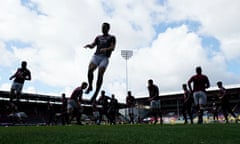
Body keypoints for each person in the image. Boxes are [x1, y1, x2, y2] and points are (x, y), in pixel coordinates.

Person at [84, 22, 116, 103]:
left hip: (104, 58)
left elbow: (112, 48)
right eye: (102, 27)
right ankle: (90, 86)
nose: (102, 29)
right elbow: (93, 45)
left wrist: (105, 49)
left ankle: (95, 93)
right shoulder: (98, 37)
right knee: (90, 70)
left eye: (104, 27)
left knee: (100, 74)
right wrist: (89, 45)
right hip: (96, 56)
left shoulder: (111, 37)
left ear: (108, 28)